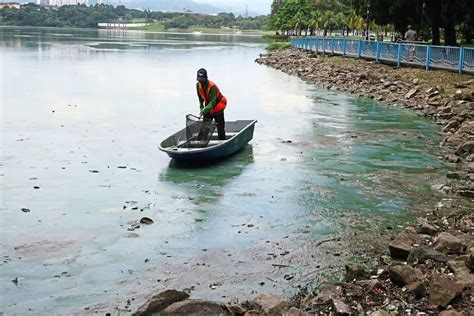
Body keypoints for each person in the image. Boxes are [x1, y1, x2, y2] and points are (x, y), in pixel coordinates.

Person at [196, 68, 227, 140]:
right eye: (199, 79)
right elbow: (200, 98)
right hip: (208, 106)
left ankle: (222, 141)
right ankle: (201, 143)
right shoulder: (198, 85)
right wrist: (201, 108)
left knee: (220, 128)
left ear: (206, 78)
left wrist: (204, 110)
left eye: (202, 79)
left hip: (218, 105)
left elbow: (213, 102)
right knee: (205, 127)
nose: (200, 81)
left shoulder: (212, 86)